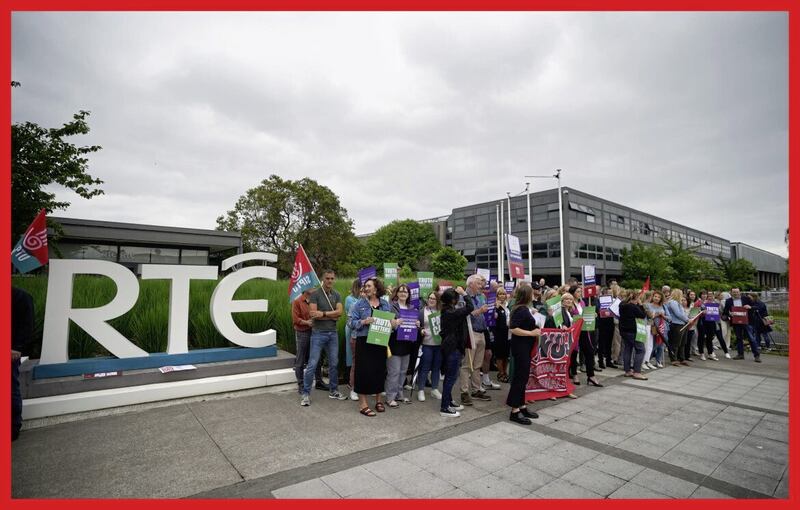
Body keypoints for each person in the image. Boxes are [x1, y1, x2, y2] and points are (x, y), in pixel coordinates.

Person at [348, 277, 396, 416]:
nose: (366, 288)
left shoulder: (385, 304)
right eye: (365, 286)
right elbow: (350, 322)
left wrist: (394, 324)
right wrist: (363, 321)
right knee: (363, 371)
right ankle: (362, 404)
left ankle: (378, 400)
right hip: (364, 341)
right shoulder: (359, 304)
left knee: (379, 370)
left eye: (369, 286)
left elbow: (389, 321)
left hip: (380, 340)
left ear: (376, 288)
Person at [302, 270, 347, 405]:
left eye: (332, 278)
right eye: (327, 278)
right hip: (318, 333)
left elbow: (340, 312)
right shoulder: (315, 294)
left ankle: (334, 390)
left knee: (334, 363)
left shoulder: (336, 294)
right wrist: (329, 315)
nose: (330, 281)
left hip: (332, 333)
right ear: (323, 279)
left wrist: (323, 313)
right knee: (312, 364)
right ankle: (305, 393)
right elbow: (313, 314)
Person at [506, 285, 541, 425]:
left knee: (523, 377)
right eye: (532, 293)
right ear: (527, 295)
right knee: (520, 378)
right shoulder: (520, 309)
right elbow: (513, 328)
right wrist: (531, 333)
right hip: (521, 348)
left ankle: (522, 406)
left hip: (525, 347)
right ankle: (514, 410)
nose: (535, 294)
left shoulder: (524, 308)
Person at [439, 287, 475, 417]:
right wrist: (465, 293)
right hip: (452, 348)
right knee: (450, 378)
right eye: (457, 297)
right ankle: (444, 407)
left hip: (455, 347)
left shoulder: (450, 311)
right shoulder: (450, 313)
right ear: (453, 300)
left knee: (451, 377)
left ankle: (449, 401)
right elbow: (470, 307)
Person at [460, 274, 490, 407]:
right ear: (471, 284)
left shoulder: (480, 296)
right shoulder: (463, 297)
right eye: (478, 284)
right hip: (471, 333)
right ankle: (464, 392)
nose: (481, 286)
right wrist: (479, 311)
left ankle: (476, 389)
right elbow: (463, 314)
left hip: (481, 333)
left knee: (477, 364)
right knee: (467, 364)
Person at [386, 284, 418, 407]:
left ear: (409, 295)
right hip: (394, 342)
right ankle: (390, 397)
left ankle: (399, 394)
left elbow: (414, 326)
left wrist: (416, 324)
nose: (403, 293)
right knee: (393, 371)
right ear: (397, 293)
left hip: (407, 343)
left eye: (406, 292)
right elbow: (388, 323)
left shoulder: (412, 308)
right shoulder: (391, 307)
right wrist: (395, 323)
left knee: (403, 371)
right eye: (401, 291)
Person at [12, 287, 34, 441]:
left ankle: (12, 427)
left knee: (9, 389)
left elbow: (27, 325)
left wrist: (17, 347)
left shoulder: (20, 296)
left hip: (9, 351)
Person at [292, 289, 323, 395]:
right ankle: (301, 385)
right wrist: (306, 322)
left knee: (317, 358)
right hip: (302, 333)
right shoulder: (297, 301)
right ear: (305, 289)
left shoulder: (315, 300)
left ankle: (319, 381)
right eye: (312, 286)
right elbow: (295, 319)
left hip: (315, 332)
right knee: (300, 360)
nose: (314, 288)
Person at [568, 286, 600, 386]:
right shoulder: (570, 304)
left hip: (584, 330)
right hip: (575, 331)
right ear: (572, 293)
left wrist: (592, 314)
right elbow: (568, 317)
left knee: (589, 351)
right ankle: (574, 374)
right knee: (574, 353)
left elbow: (585, 314)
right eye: (577, 291)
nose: (580, 293)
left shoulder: (582, 302)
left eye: (580, 291)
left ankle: (591, 376)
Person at [417, 292, 443, 401]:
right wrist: (420, 329)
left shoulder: (441, 312)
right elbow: (418, 326)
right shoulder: (422, 312)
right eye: (430, 298)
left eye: (434, 298)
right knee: (424, 367)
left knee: (436, 368)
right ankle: (421, 390)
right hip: (426, 343)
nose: (431, 300)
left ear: (437, 301)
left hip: (439, 344)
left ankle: (434, 389)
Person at [722, 288, 760, 362]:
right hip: (736, 322)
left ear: (739, 292)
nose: (735, 293)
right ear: (731, 293)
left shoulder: (746, 299)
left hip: (747, 322)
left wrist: (750, 307)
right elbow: (725, 312)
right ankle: (740, 354)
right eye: (734, 292)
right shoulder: (728, 301)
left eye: (737, 292)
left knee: (751, 338)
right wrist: (729, 314)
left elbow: (757, 306)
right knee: (739, 338)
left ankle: (756, 355)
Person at [619, 289, 649, 380]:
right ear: (635, 297)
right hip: (633, 331)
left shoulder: (622, 305)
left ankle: (627, 371)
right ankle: (637, 372)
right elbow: (643, 315)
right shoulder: (633, 306)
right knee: (640, 350)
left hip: (624, 330)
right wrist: (640, 304)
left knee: (628, 349)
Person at [344, 279, 362, 400]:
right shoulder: (350, 299)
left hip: (362, 330)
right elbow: (353, 315)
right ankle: (351, 384)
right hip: (353, 330)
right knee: (352, 356)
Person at [491, 287, 511, 384]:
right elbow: (493, 319)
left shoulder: (508, 306)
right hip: (499, 333)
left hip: (508, 332)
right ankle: (501, 373)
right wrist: (496, 308)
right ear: (497, 295)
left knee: (506, 355)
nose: (502, 296)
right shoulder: (495, 306)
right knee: (499, 354)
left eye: (504, 294)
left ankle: (505, 371)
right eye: (500, 294)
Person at [665, 289, 690, 366]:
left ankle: (681, 358)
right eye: (681, 294)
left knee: (682, 343)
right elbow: (678, 314)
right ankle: (673, 359)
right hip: (676, 324)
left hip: (682, 324)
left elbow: (682, 313)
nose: (682, 296)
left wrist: (687, 320)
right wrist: (687, 319)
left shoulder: (678, 303)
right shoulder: (673, 302)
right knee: (675, 343)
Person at [647, 290, 668, 368]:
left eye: (659, 297)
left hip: (662, 327)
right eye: (655, 296)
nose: (656, 298)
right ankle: (647, 360)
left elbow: (669, 317)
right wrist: (656, 314)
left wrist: (664, 316)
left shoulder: (663, 306)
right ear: (652, 297)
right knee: (652, 345)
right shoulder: (648, 305)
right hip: (653, 327)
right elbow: (648, 316)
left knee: (660, 345)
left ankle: (658, 361)